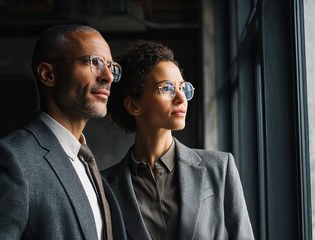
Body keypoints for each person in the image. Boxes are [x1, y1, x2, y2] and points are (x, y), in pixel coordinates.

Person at [0, 24, 126, 240]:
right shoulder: (7, 161)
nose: (108, 77)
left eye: (111, 66)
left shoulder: (86, 164)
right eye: (93, 62)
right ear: (48, 74)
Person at [102, 40, 255, 240]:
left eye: (183, 88)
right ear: (133, 105)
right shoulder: (105, 186)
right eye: (167, 88)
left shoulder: (219, 169)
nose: (181, 98)